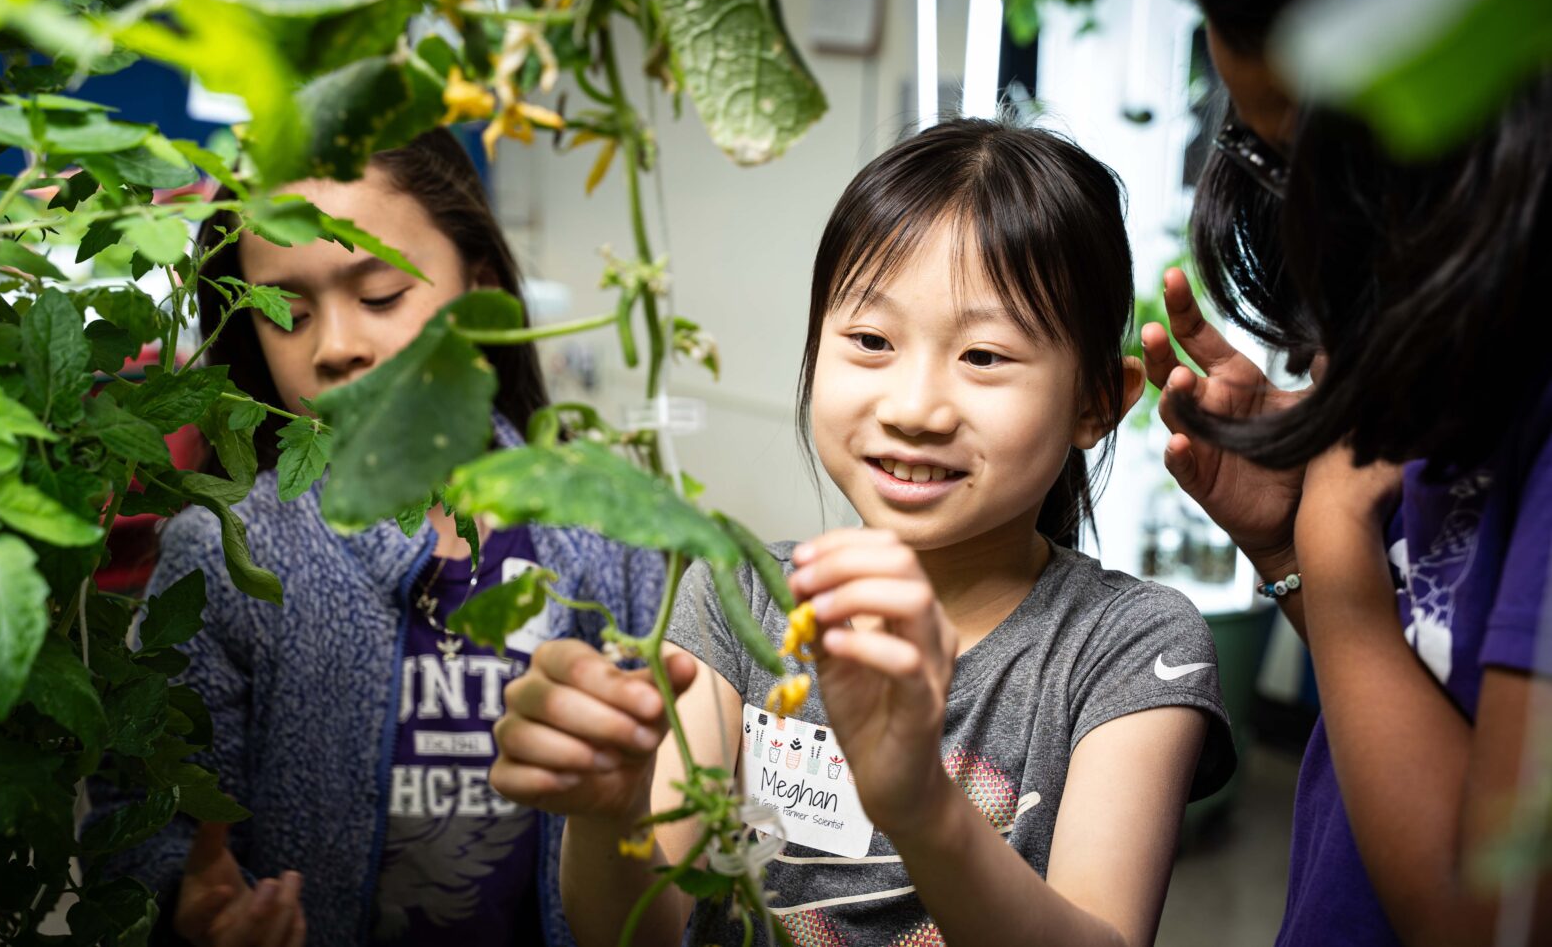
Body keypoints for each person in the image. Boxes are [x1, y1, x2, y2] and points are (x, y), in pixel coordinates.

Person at [489, 117, 1236, 946]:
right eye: (871, 341)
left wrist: (920, 808)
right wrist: (609, 811)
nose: (914, 408)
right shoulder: (737, 599)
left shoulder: (1129, 647)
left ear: (1098, 401)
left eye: (984, 356)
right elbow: (636, 933)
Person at [89, 129, 666, 947]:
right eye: (286, 313)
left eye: (383, 294)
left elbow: (678, 815)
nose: (336, 347)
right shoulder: (224, 554)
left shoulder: (613, 530)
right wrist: (184, 908)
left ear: (484, 289)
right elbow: (136, 823)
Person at [1141, 0, 1552, 943]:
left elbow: (1491, 911)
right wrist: (1296, 551)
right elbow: (1420, 703)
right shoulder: (1464, 381)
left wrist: (1334, 552)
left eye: (1295, 159)